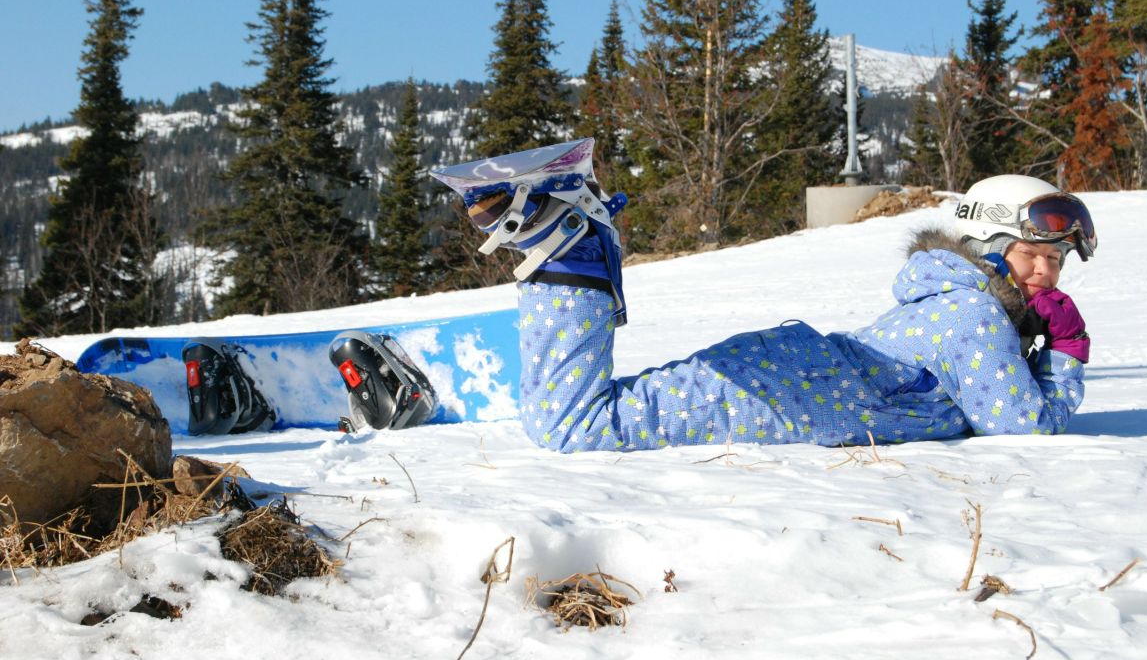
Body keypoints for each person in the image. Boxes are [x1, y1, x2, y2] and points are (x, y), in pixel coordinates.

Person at [433, 140, 1096, 453]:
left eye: (1054, 262)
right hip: (790, 400)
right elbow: (1025, 429)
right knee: (577, 426)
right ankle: (572, 241)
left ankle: (562, 231)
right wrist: (1064, 351)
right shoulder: (977, 314)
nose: (1043, 273)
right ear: (987, 247)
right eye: (1030, 254)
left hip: (786, 375)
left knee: (585, 417)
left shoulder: (944, 297)